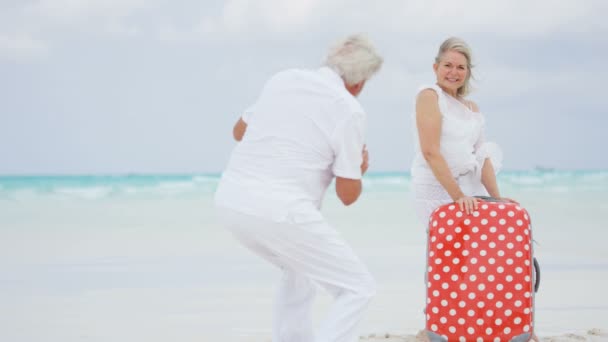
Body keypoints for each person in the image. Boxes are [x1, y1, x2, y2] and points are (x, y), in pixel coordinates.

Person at [214, 34, 383, 342]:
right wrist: (357, 169)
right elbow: (348, 196)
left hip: (230, 200)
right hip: (280, 211)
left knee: (300, 272)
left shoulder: (284, 79)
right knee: (357, 287)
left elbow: (239, 131)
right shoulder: (349, 110)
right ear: (360, 82)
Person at [411, 37, 507, 223]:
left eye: (461, 67)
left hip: (471, 191)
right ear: (435, 67)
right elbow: (430, 152)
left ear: (468, 72)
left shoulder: (472, 109)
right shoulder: (430, 96)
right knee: (445, 248)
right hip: (437, 189)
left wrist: (498, 200)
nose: (453, 72)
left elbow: (482, 156)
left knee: (477, 250)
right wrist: (458, 196)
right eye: (448, 65)